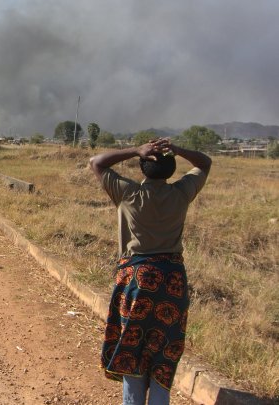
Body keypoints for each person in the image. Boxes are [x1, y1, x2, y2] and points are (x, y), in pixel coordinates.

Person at [89, 138, 211, 405]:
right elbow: (205, 163)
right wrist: (179, 150)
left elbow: (96, 162)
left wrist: (135, 150)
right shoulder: (181, 193)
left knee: (133, 349)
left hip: (137, 279)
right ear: (171, 170)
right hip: (172, 282)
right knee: (164, 353)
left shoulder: (128, 193)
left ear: (142, 167)